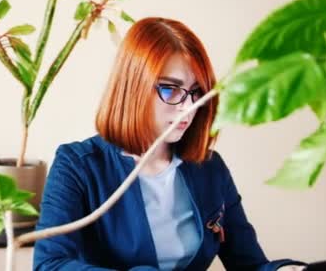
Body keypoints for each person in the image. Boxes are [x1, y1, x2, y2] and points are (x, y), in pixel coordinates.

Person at [33, 18, 306, 270]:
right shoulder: (78, 165)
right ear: (132, 87)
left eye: (196, 91)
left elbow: (250, 265)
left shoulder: (209, 167)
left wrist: (285, 269)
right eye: (170, 88)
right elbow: (50, 264)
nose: (188, 107)